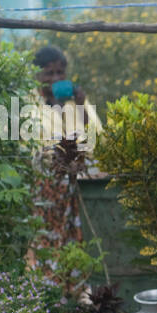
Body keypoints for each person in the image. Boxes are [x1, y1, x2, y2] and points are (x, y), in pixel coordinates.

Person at [29, 45, 101, 282]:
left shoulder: (75, 102)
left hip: (76, 186)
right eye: (49, 73)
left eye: (60, 73)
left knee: (76, 245)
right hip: (44, 191)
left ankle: (74, 290)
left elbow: (95, 139)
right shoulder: (30, 105)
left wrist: (80, 106)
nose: (56, 79)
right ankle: (48, 290)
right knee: (46, 246)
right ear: (37, 75)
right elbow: (33, 147)